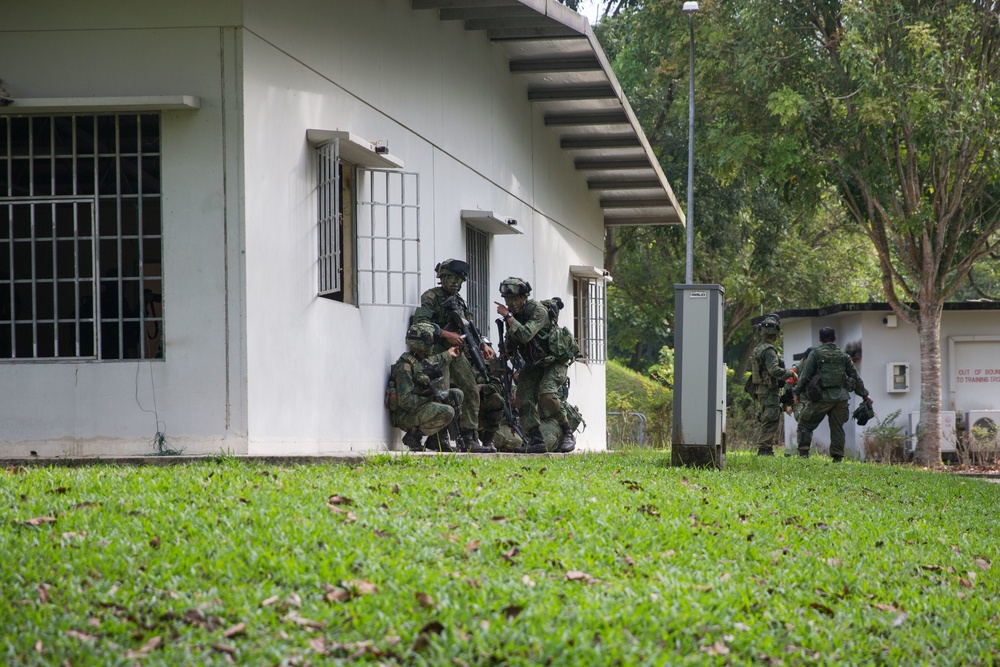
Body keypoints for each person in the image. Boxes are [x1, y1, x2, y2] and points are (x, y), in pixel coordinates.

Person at [411, 259, 496, 453]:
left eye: (460, 279)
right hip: (437, 352)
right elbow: (420, 322)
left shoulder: (459, 301)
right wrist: (445, 334)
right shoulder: (432, 297)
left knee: (471, 389)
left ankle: (469, 438)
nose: (456, 282)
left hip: (456, 353)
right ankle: (436, 439)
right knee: (442, 394)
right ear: (442, 278)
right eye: (450, 277)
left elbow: (469, 325)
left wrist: (483, 344)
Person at [495, 277, 576, 454]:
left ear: (524, 297)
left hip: (553, 362)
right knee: (523, 398)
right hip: (534, 364)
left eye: (515, 299)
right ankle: (535, 439)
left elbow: (525, 334)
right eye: (507, 300)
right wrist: (507, 349)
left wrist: (507, 316)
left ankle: (567, 431)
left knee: (546, 395)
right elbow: (514, 339)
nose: (511, 303)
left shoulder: (538, 311)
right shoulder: (514, 315)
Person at [793, 326, 873, 461]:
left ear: (820, 339)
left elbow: (805, 376)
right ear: (835, 338)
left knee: (805, 424)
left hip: (821, 398)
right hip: (841, 398)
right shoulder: (843, 355)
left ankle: (803, 454)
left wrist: (797, 393)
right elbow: (855, 377)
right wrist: (865, 395)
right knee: (837, 428)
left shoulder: (815, 354)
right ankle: (837, 458)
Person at [386, 323, 462, 452]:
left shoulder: (419, 361)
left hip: (419, 408)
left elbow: (433, 361)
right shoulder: (405, 368)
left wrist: (449, 354)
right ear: (425, 345)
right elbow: (406, 401)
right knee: (447, 411)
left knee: (456, 394)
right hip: (405, 415)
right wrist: (430, 397)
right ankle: (414, 437)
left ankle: (435, 440)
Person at [749, 314, 795, 456]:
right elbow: (774, 370)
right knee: (771, 418)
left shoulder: (758, 348)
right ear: (775, 332)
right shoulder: (769, 350)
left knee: (767, 417)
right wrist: (791, 374)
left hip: (762, 389)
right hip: (768, 390)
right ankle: (764, 449)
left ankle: (767, 449)